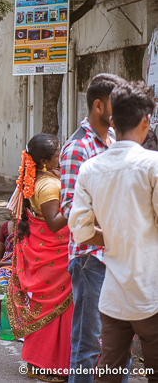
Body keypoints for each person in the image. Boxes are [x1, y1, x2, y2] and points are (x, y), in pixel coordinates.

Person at [69, 81, 158, 383]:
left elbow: (79, 231)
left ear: (113, 120)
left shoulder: (91, 168)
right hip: (150, 293)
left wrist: (116, 237)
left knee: (108, 372)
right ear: (146, 122)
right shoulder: (152, 164)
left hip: (113, 297)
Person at [59, 73, 126, 383]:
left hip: (117, 258)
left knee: (118, 346)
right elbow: (73, 213)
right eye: (117, 104)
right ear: (99, 105)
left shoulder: (114, 142)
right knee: (88, 346)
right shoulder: (78, 148)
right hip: (90, 259)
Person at [8, 133, 73, 383]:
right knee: (59, 309)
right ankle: (50, 366)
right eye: (58, 153)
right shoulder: (48, 186)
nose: (62, 155)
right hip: (56, 255)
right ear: (45, 161)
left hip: (46, 252)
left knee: (50, 306)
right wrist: (78, 202)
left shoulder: (40, 178)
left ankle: (39, 362)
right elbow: (55, 224)